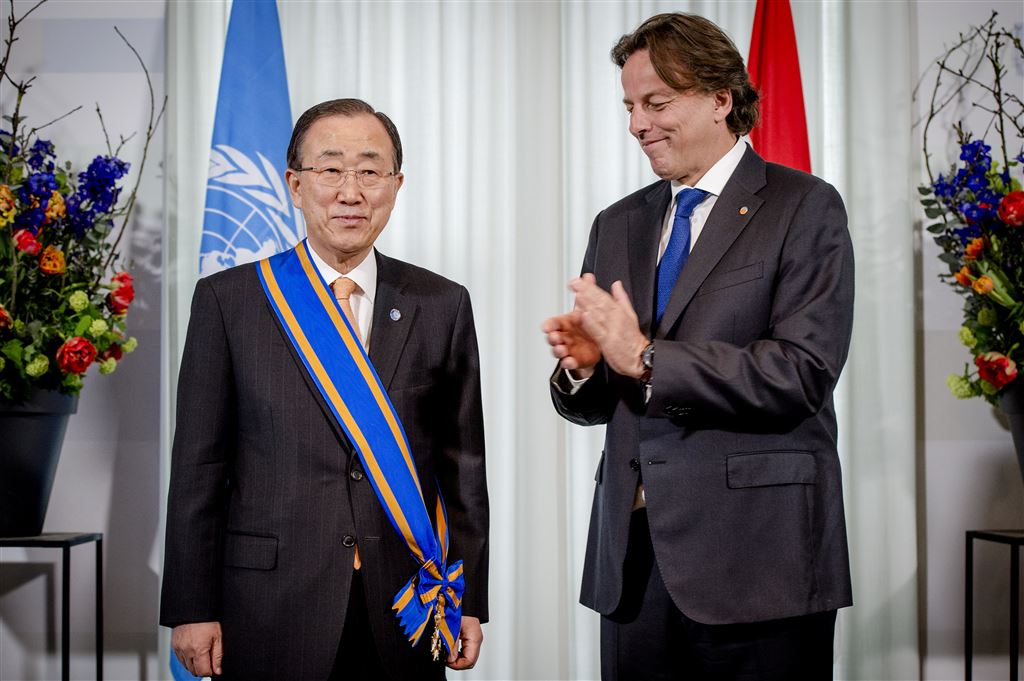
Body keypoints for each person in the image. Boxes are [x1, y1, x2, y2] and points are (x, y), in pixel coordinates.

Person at [542, 12, 854, 680]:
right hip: (633, 563)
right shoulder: (617, 223)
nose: (637, 124)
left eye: (656, 103)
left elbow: (802, 372)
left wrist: (647, 357)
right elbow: (603, 400)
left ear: (720, 98)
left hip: (758, 559)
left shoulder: (804, 206)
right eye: (629, 106)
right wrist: (586, 369)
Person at [161, 98, 489, 680]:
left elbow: (462, 466)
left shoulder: (441, 304)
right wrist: (191, 606)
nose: (350, 191)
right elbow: (199, 467)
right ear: (295, 184)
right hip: (267, 602)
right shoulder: (228, 301)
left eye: (370, 171)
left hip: (407, 602)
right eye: (330, 169)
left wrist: (469, 598)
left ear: (396, 185)